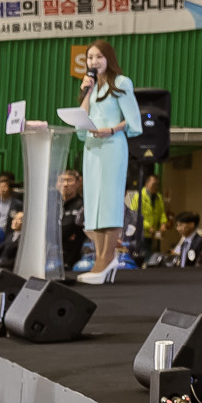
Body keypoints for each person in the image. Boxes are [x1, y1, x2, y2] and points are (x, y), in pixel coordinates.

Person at [73, 42, 142, 284]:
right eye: (90, 57)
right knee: (94, 204)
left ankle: (107, 258)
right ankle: (99, 260)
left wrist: (111, 130)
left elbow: (132, 120)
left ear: (108, 58)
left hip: (112, 146)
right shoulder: (90, 86)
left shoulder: (121, 83)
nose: (93, 62)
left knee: (109, 202)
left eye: (98, 57)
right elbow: (82, 120)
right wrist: (86, 92)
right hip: (92, 149)